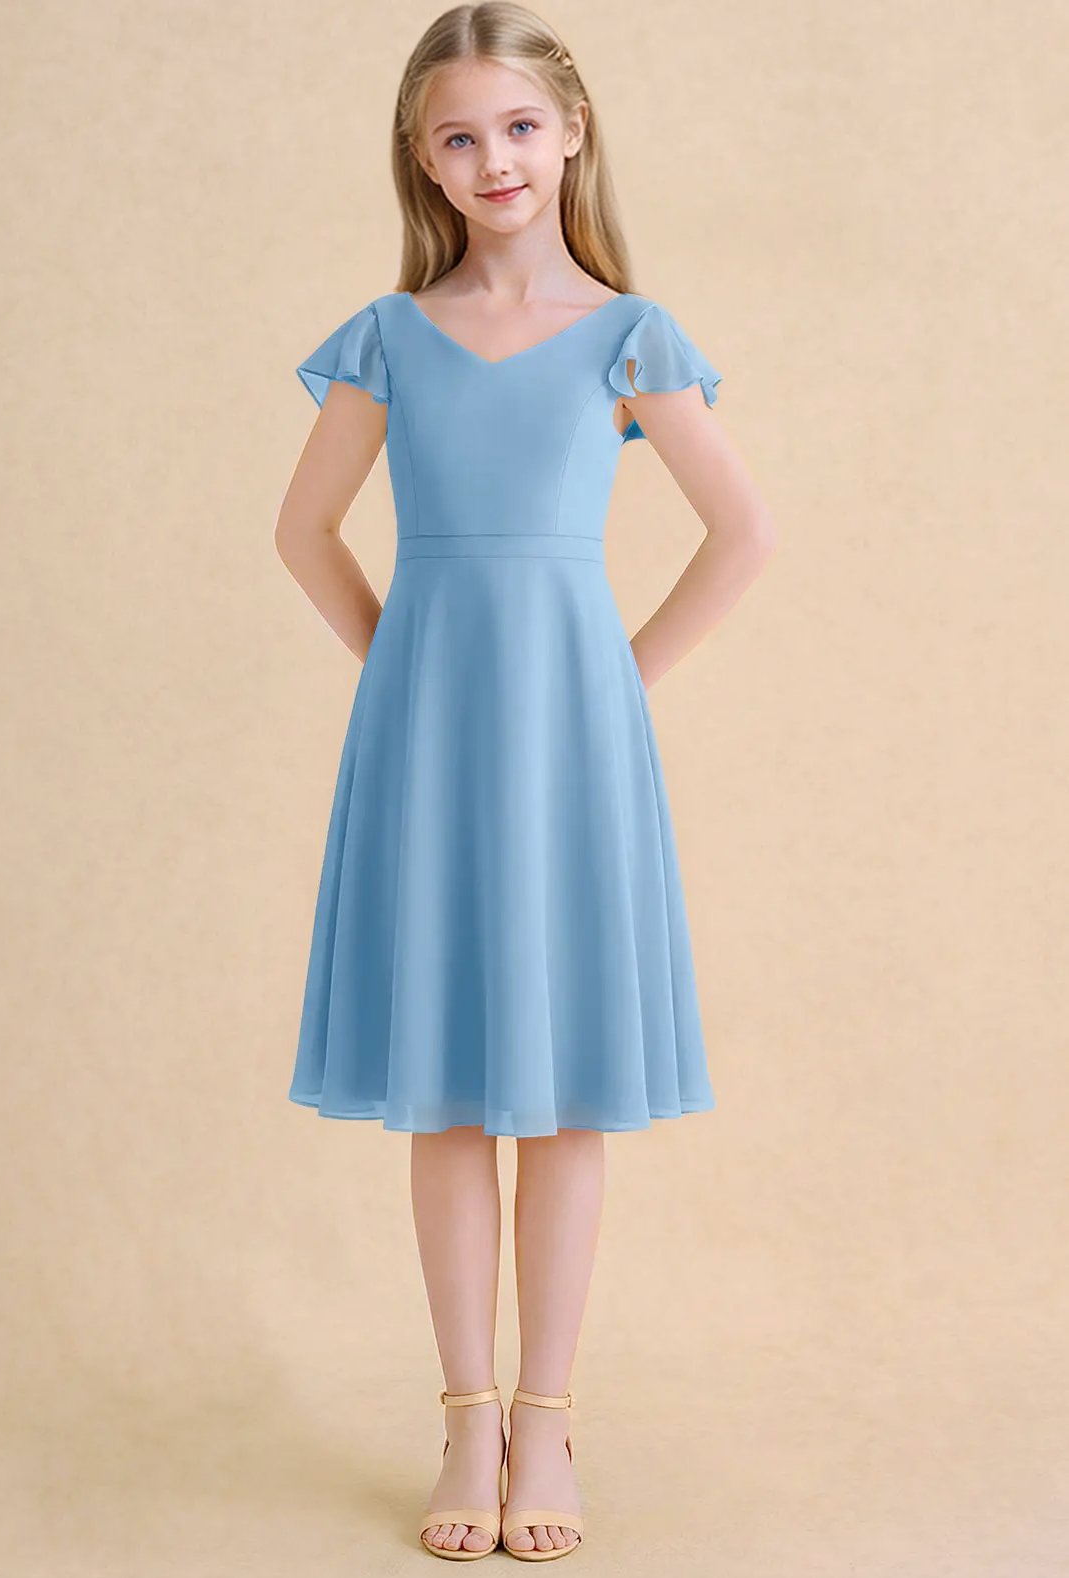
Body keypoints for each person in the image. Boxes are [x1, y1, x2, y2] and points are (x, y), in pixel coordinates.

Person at [274, 3, 776, 1561]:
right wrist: (402, 671)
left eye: (517, 127)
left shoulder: (631, 334)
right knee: (444, 1081)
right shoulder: (388, 334)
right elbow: (303, 531)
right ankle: (467, 1416)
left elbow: (743, 533)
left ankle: (549, 1419)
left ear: (570, 135)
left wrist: (618, 679)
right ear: (423, 160)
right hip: (427, 739)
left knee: (559, 1090)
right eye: (459, 135)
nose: (493, 157)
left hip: (572, 738)